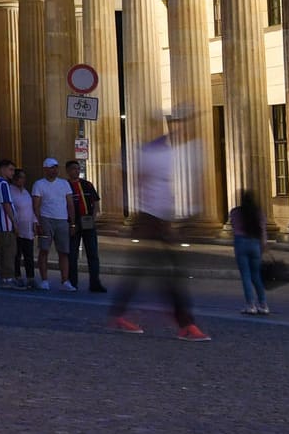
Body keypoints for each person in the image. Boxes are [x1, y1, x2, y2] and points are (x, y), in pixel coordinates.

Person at [110, 117, 209, 340]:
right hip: (151, 220)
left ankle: (119, 314)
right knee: (168, 273)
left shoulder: (171, 151)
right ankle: (184, 323)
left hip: (159, 220)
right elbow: (140, 182)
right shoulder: (154, 152)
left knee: (144, 272)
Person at [30, 157, 76, 291]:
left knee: (64, 251)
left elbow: (70, 204)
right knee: (44, 250)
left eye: (56, 167)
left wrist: (72, 223)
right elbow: (36, 205)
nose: (54, 170)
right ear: (45, 169)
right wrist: (38, 222)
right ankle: (45, 280)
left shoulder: (64, 184)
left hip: (62, 219)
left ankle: (65, 280)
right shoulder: (39, 184)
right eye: (51, 167)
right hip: (46, 219)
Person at [64, 160, 107, 292]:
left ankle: (95, 282)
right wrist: (71, 223)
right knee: (72, 254)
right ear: (68, 171)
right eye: (73, 169)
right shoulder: (65, 186)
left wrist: (93, 220)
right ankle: (73, 282)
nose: (76, 171)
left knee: (93, 253)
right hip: (74, 222)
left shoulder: (87, 184)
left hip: (88, 221)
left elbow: (95, 202)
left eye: (78, 169)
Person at [230, 190, 270, 315]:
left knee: (246, 276)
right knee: (256, 276)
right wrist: (263, 245)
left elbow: (233, 226)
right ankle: (263, 305)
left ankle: (250, 305)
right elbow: (263, 231)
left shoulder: (235, 212)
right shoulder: (258, 213)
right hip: (255, 243)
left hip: (241, 243)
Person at [7, 168, 38, 290]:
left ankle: (31, 277)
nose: (23, 180)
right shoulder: (10, 191)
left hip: (28, 227)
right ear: (15, 179)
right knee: (17, 254)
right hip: (17, 227)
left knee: (29, 254)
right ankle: (17, 276)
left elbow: (30, 209)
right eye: (21, 178)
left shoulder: (25, 192)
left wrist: (35, 222)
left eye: (24, 178)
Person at [0, 159, 18, 289]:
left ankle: (4, 277)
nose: (13, 173)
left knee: (4, 250)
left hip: (1, 224)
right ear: (3, 169)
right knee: (9, 251)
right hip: (6, 223)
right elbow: (6, 204)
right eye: (10, 169)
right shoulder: (3, 184)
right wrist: (14, 222)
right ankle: (8, 277)